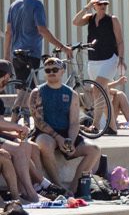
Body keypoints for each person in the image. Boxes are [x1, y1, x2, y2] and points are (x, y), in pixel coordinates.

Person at [31, 54, 100, 185]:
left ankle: (74, 188)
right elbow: (39, 122)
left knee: (94, 150)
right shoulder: (37, 92)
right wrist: (58, 138)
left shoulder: (71, 94)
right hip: (45, 133)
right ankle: (59, 186)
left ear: (62, 71)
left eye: (55, 69)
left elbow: (74, 122)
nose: (51, 72)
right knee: (44, 144)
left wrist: (70, 142)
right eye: (48, 70)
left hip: (66, 133)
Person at [4, 0, 67, 88]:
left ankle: (21, 101)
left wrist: (6, 55)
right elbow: (42, 30)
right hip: (31, 53)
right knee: (29, 90)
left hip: (16, 54)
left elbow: (8, 32)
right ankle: (21, 101)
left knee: (22, 88)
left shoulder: (13, 5)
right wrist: (62, 47)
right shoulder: (37, 4)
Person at [73, 0, 125, 95]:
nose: (103, 6)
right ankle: (113, 105)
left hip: (109, 59)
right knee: (102, 93)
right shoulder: (90, 18)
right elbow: (75, 22)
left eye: (105, 4)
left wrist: (121, 59)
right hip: (93, 60)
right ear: (94, 5)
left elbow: (120, 41)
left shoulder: (112, 19)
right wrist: (87, 7)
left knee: (98, 88)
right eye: (100, 4)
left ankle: (109, 104)